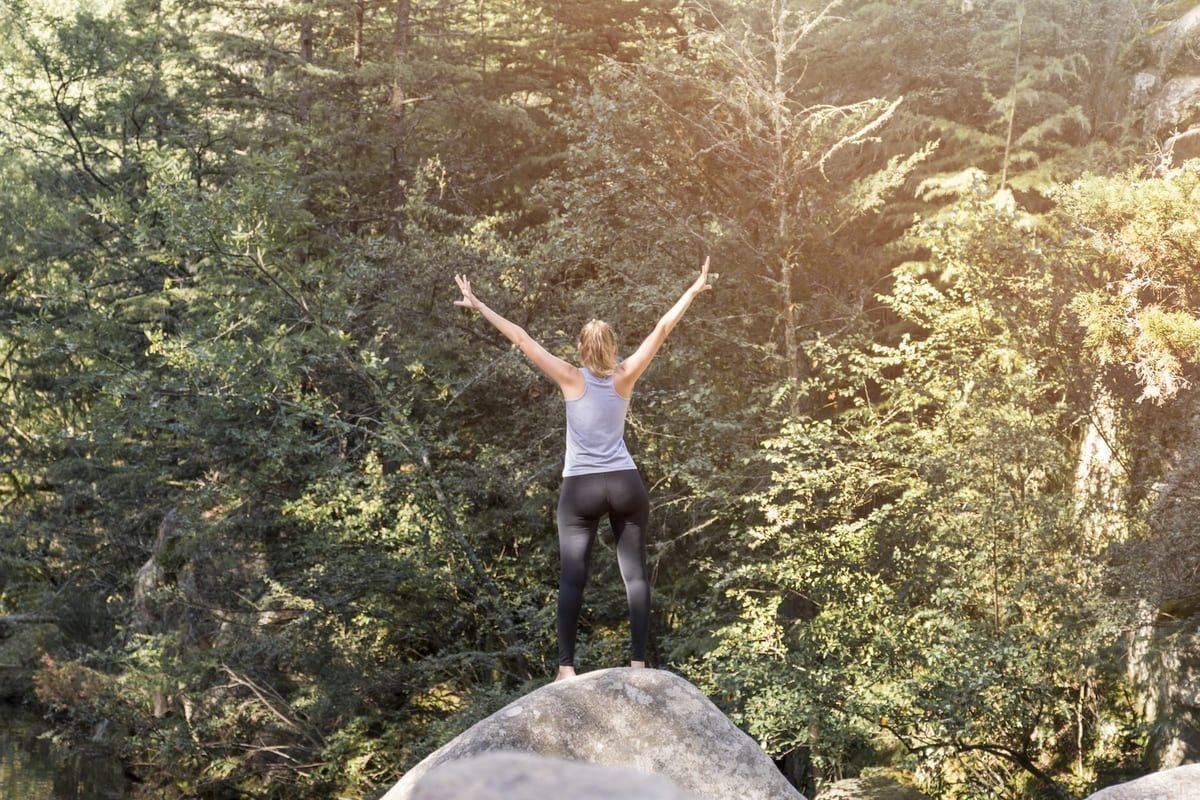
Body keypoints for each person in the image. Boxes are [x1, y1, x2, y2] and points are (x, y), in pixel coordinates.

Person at [453, 259, 713, 680]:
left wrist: (479, 304)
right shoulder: (625, 375)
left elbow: (521, 337)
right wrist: (693, 288)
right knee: (634, 575)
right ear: (611, 347)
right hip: (625, 483)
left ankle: (565, 669)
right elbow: (662, 329)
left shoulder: (570, 377)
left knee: (573, 576)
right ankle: (638, 664)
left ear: (580, 348)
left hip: (581, 488)